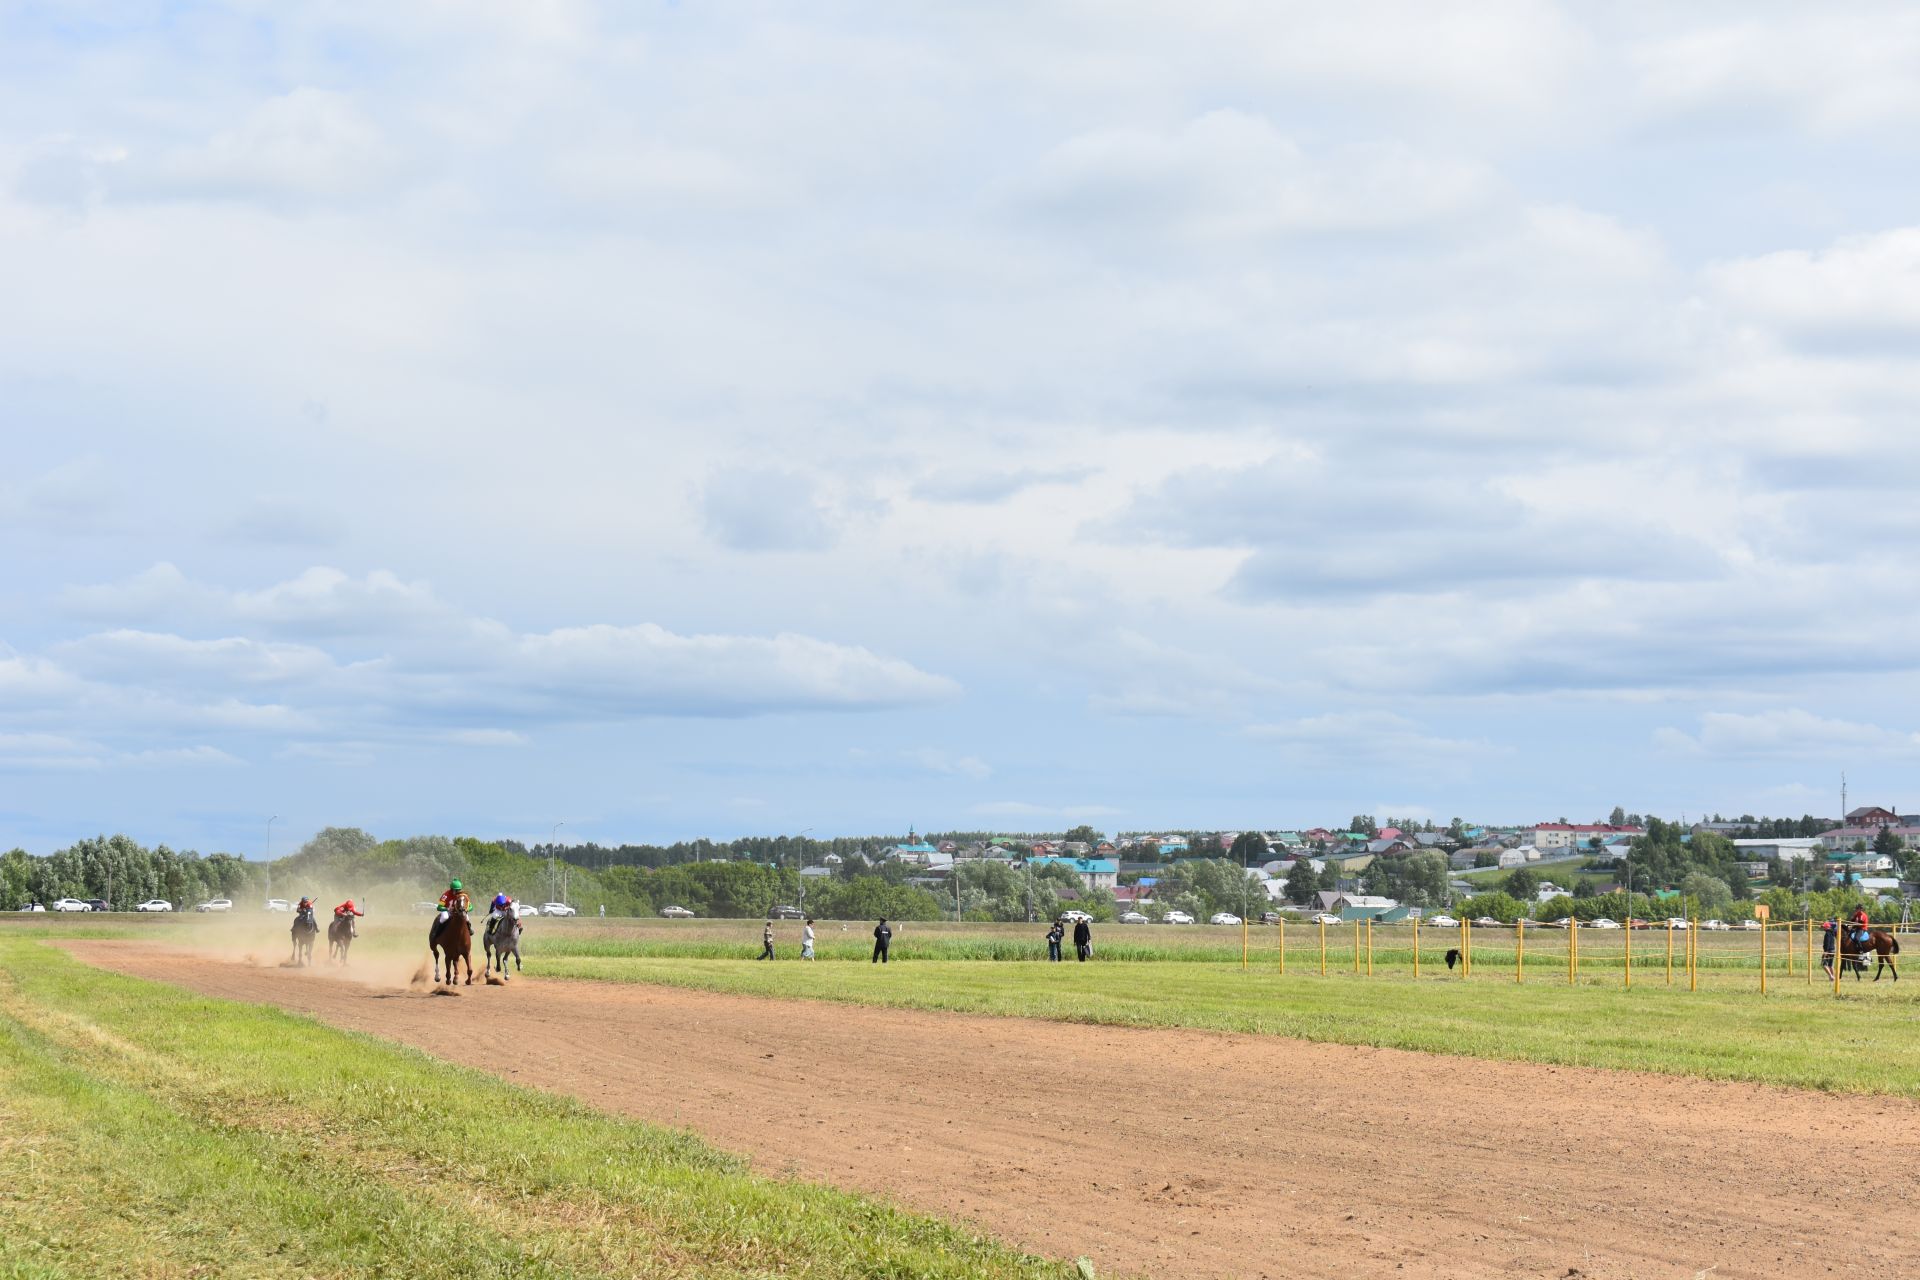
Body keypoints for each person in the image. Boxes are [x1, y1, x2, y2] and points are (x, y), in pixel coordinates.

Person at [428, 879, 469, 949]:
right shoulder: (446, 895)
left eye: (458, 890)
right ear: (451, 889)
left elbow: (470, 906)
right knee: (445, 917)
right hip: (447, 911)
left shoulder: (462, 896)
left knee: (467, 918)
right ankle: (436, 932)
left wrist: (466, 909)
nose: (456, 892)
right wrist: (447, 909)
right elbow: (439, 907)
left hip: (457, 912)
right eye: (455, 890)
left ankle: (469, 931)